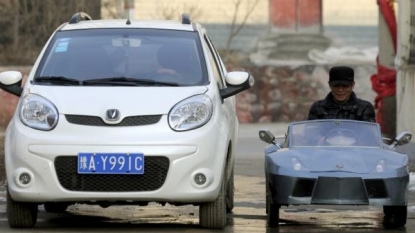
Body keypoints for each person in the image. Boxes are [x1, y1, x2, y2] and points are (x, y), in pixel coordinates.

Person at [307, 66, 376, 122]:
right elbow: (312, 133)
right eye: (336, 86)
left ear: (353, 85)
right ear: (330, 85)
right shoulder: (317, 108)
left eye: (345, 86)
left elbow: (368, 135)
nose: (340, 90)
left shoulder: (364, 108)